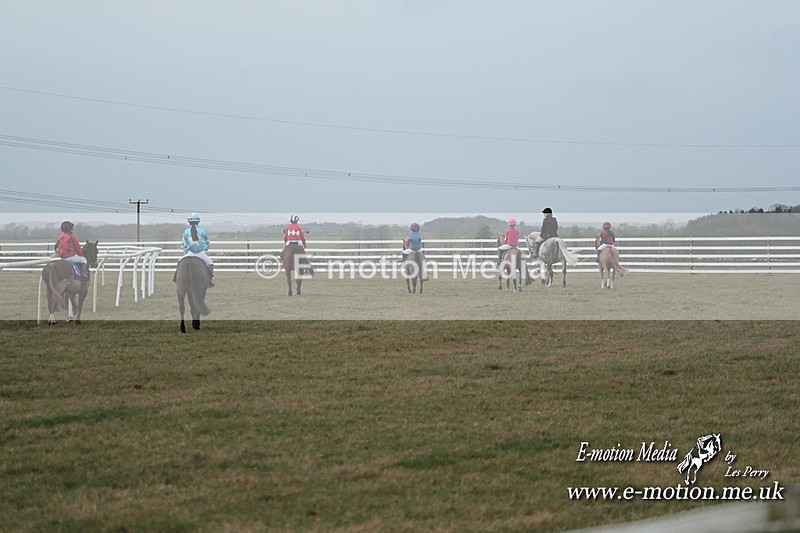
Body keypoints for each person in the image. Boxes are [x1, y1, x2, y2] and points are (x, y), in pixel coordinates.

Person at [181, 212, 214, 287]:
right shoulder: (202, 231)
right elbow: (207, 242)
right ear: (198, 222)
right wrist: (205, 249)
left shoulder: (186, 231)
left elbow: (183, 244)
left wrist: (186, 252)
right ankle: (209, 280)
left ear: (189, 222)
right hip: (201, 253)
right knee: (210, 264)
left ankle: (176, 279)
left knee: (179, 263)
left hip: (190, 253)